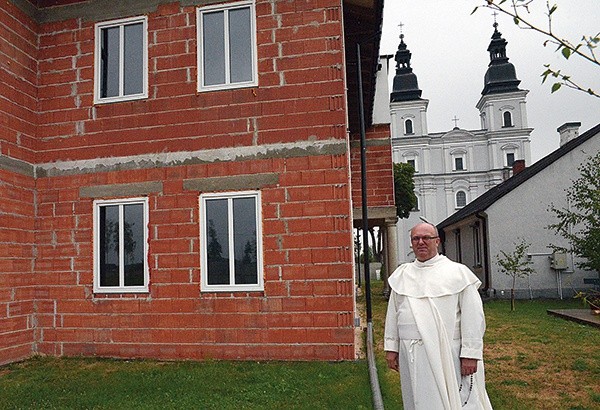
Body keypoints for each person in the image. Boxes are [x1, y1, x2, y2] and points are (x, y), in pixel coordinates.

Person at [384, 222, 493, 409]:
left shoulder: (458, 273)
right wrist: (391, 348)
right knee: (416, 400)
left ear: (437, 241)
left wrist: (470, 354)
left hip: (448, 351)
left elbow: (474, 317)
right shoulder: (402, 274)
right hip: (411, 353)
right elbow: (393, 314)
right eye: (415, 239)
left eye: (426, 238)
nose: (421, 242)